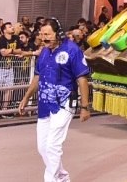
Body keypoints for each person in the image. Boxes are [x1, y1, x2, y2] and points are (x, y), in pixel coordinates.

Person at [18, 19, 91, 182]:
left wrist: (85, 107)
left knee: (52, 146)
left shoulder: (72, 50)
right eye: (42, 34)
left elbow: (82, 79)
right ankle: (62, 177)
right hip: (45, 105)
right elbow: (37, 76)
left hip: (64, 103)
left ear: (57, 33)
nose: (44, 38)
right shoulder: (44, 51)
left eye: (47, 34)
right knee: (43, 147)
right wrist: (26, 97)